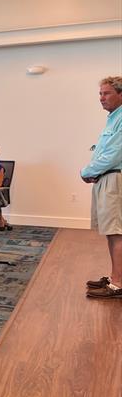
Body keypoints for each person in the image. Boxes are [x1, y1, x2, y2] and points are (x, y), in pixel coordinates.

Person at [82, 76, 122, 300]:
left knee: (117, 233)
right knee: (112, 231)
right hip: (107, 178)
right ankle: (116, 276)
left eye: (106, 93)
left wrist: (86, 171)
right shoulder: (113, 119)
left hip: (115, 179)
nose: (101, 98)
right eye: (100, 94)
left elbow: (113, 155)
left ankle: (118, 284)